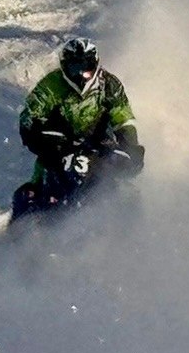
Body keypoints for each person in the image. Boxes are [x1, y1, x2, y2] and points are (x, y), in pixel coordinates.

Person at [11, 36, 143, 220]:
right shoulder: (51, 85)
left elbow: (123, 118)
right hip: (59, 143)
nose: (81, 74)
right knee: (35, 187)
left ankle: (128, 222)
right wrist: (42, 141)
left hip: (99, 142)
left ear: (95, 64)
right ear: (65, 66)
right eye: (74, 68)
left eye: (86, 68)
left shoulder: (109, 85)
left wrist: (131, 147)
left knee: (119, 176)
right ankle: (20, 229)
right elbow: (29, 117)